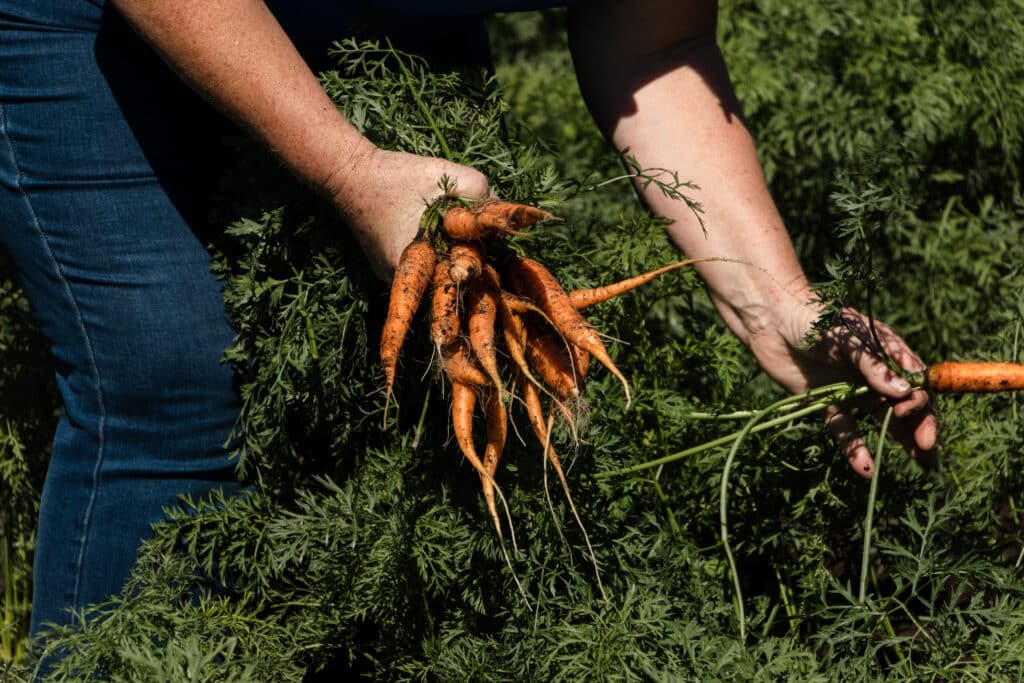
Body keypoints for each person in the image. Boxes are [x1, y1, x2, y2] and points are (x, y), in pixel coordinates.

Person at [0, 0, 936, 654]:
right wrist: (347, 169)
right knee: (177, 388)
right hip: (104, 27)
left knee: (407, 393)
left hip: (390, 23)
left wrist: (775, 299)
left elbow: (655, 40)